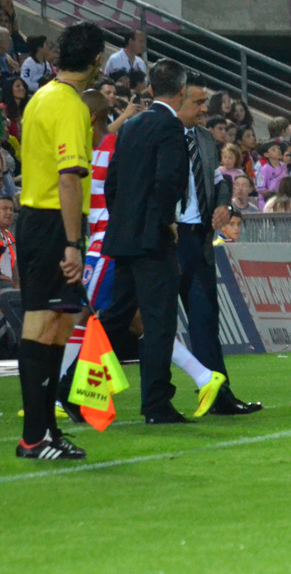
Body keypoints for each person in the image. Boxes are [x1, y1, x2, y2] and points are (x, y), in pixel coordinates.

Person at [13, 21, 104, 460]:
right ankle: (34, 436)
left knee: (58, 324)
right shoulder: (69, 105)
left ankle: (46, 431)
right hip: (54, 222)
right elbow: (69, 177)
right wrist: (73, 242)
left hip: (36, 217)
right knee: (43, 324)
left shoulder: (39, 99)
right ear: (97, 61)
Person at [98, 59, 190, 424]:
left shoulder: (131, 125)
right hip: (153, 241)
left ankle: (71, 388)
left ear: (151, 88)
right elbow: (168, 182)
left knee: (115, 318)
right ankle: (155, 402)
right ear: (181, 92)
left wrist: (124, 222)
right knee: (159, 322)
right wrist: (166, 222)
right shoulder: (171, 127)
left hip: (123, 238)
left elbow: (112, 182)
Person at [175, 75, 262, 416]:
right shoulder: (165, 136)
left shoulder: (205, 140)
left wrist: (224, 204)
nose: (203, 110)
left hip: (198, 238)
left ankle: (218, 394)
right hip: (169, 236)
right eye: (197, 103)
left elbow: (218, 182)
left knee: (205, 317)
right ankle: (68, 392)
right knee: (133, 319)